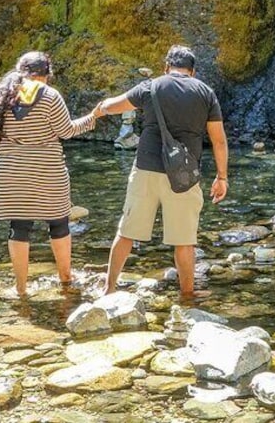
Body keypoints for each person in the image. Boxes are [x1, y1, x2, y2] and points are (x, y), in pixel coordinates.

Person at [93, 45, 228, 300]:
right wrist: (222, 177)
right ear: (193, 71)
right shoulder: (206, 93)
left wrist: (99, 109)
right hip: (184, 176)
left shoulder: (151, 86)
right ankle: (187, 296)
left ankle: (109, 289)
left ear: (166, 67)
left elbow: (114, 105)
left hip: (146, 168)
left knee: (126, 232)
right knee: (184, 240)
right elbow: (219, 140)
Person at [0, 51, 100, 297]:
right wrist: (92, 118)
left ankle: (21, 288)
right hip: (48, 169)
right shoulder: (50, 96)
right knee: (58, 224)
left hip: (13, 170)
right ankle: (65, 279)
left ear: (20, 70)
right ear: (47, 74)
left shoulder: (3, 95)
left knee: (19, 227)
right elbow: (66, 131)